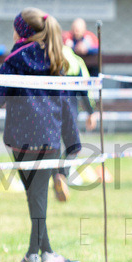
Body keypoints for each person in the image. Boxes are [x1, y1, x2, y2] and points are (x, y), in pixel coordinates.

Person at [0, 8, 82, 262]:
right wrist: (73, 141)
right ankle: (43, 253)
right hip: (49, 139)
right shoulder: (55, 58)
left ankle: (35, 254)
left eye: (14, 27)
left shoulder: (13, 60)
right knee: (36, 196)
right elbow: (66, 103)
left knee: (35, 196)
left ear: (22, 31)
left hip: (20, 141)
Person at [53, 44, 99, 202]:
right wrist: (91, 112)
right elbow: (83, 90)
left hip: (47, 110)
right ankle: (61, 174)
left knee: (52, 145)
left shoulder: (47, 57)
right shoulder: (75, 61)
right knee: (74, 147)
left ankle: (55, 175)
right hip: (69, 110)